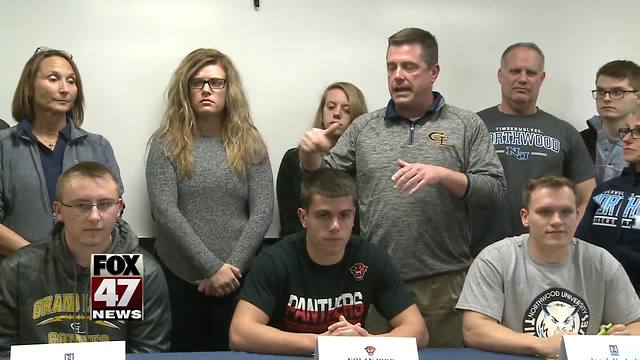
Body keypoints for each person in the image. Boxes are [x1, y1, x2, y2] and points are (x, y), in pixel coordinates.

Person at [298, 28, 505, 347]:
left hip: (444, 282)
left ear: (433, 72)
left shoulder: (465, 125)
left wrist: (444, 175)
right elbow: (321, 184)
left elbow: (494, 191)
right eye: (391, 67)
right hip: (377, 281)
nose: (398, 76)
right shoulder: (364, 127)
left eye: (409, 67)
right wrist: (311, 155)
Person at [146, 48, 274, 352]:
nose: (206, 89)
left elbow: (263, 210)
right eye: (197, 82)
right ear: (185, 89)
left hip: (239, 279)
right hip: (179, 279)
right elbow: (165, 211)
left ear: (229, 90)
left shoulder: (250, 141)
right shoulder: (166, 143)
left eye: (216, 82)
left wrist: (229, 269)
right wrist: (211, 268)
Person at [229, 168, 428, 354]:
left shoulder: (371, 258)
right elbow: (240, 333)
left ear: (353, 216)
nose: (335, 226)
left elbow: (418, 331)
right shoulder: (275, 259)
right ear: (303, 217)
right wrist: (321, 343)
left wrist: (367, 343)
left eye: (344, 215)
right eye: (324, 215)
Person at [457, 175, 640, 358]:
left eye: (566, 212)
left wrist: (623, 337)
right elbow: (474, 329)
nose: (557, 221)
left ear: (577, 216)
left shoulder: (602, 262)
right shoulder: (495, 259)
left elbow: (636, 323)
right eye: (545, 212)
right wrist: (539, 344)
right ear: (525, 217)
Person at [0, 162, 170, 356]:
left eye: (105, 204)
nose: (94, 217)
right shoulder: (20, 269)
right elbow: (4, 349)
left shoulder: (136, 271)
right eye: (81, 205)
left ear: (119, 208)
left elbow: (147, 352)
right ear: (59, 211)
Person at [470, 42, 595, 256]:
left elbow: (588, 195)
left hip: (546, 256)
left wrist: (567, 235)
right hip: (480, 254)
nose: (523, 78)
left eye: (531, 72)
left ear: (541, 78)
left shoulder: (564, 132)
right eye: (515, 71)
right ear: (501, 75)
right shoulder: (473, 125)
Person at [0, 47, 122, 258]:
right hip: (21, 274)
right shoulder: (5, 146)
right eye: (54, 78)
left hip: (86, 271)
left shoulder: (97, 146)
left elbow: (113, 212)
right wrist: (40, 260)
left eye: (71, 81)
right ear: (29, 87)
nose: (65, 89)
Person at [276, 82, 367, 237]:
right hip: (303, 250)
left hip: (353, 250)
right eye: (331, 107)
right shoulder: (294, 159)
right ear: (322, 111)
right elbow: (289, 219)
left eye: (347, 109)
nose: (337, 113)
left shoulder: (364, 161)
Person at [576, 111, 640, 294]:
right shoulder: (605, 190)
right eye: (626, 131)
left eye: (638, 132)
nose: (626, 139)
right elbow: (580, 248)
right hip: (598, 298)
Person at [580, 60, 640, 183]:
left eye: (617, 92)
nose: (606, 98)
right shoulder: (579, 140)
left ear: (638, 97)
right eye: (601, 92)